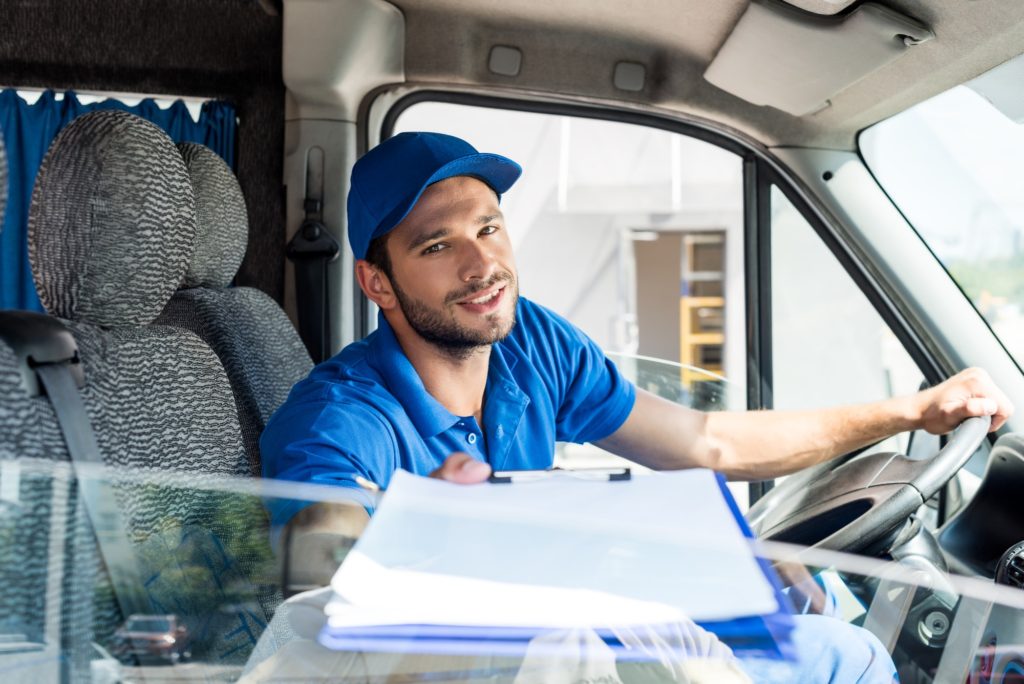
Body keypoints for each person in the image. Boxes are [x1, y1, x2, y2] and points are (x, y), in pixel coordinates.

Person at [259, 131, 1013, 682]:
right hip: (477, 667)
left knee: (838, 639)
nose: (483, 262)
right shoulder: (339, 421)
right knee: (849, 657)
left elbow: (705, 441)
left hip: (575, 640)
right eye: (436, 246)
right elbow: (326, 562)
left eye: (489, 226)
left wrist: (912, 412)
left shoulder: (531, 346)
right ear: (377, 283)